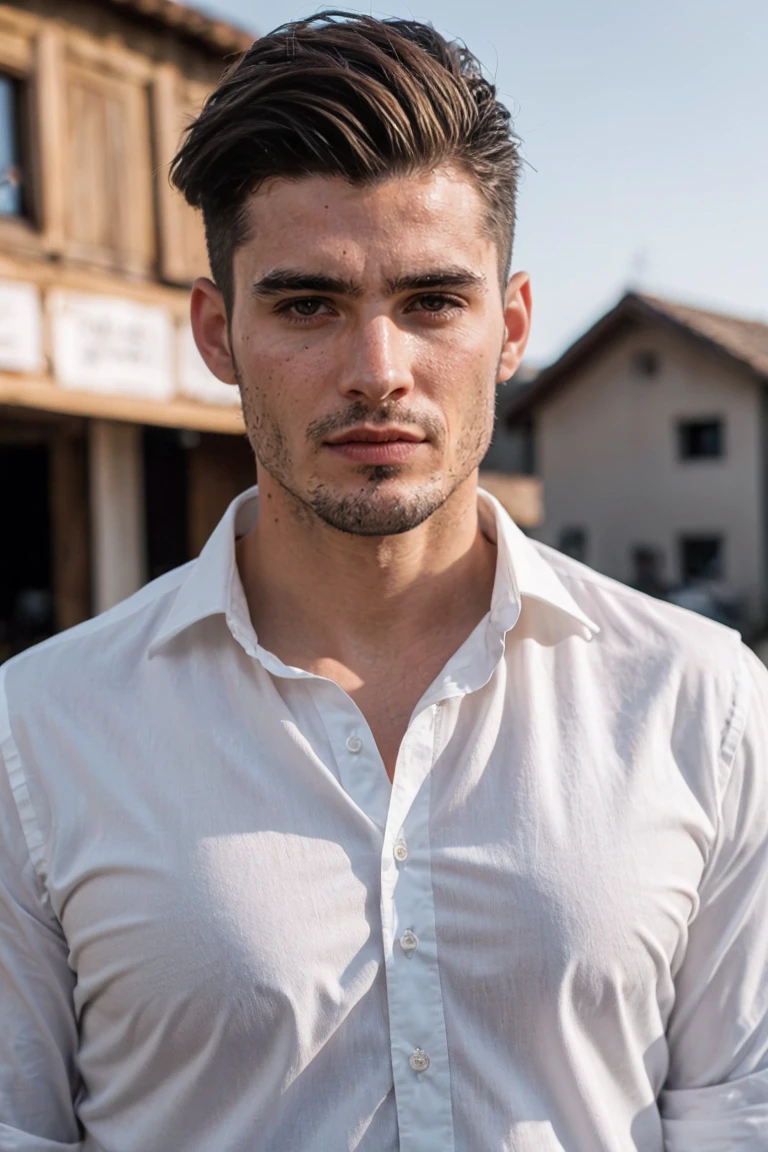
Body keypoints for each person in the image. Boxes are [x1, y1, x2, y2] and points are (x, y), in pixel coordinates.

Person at [1, 12, 766, 1151]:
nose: (378, 373)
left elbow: (741, 1117)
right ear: (218, 334)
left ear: (509, 326)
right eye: (307, 304)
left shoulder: (702, 701)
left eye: (431, 302)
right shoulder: (37, 734)